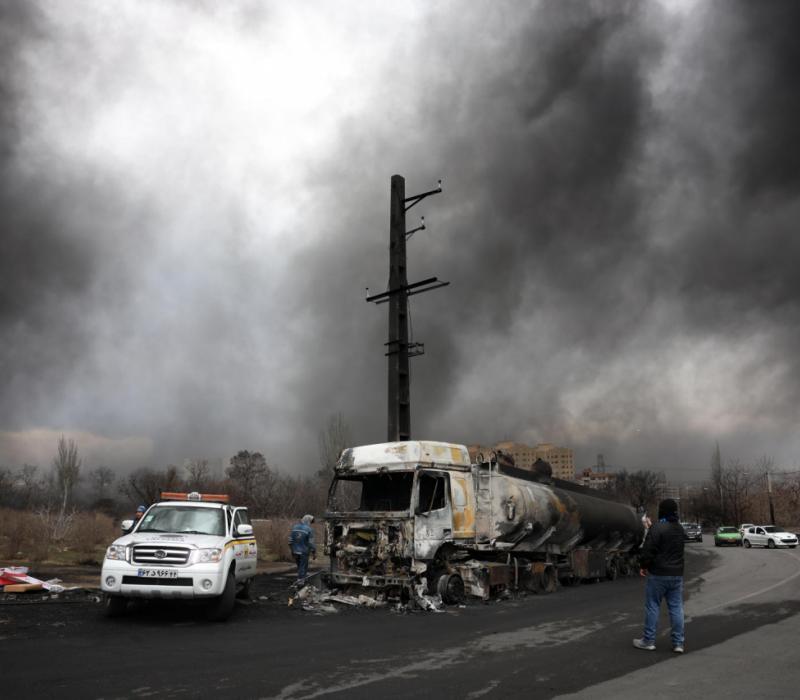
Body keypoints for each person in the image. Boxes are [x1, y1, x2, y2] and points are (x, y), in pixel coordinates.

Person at [633, 498, 685, 653]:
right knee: (676, 608)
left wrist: (643, 566)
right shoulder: (680, 529)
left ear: (662, 511)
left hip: (658, 574)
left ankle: (648, 641)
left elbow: (648, 550)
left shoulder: (657, 528)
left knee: (653, 606)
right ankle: (678, 643)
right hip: (676, 574)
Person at [288, 514, 317, 584]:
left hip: (295, 550)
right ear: (308, 521)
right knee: (303, 566)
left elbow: (290, 541)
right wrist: (314, 552)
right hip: (304, 551)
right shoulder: (309, 530)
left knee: (299, 566)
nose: (311, 524)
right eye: (311, 522)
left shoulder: (294, 527)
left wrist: (292, 550)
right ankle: (301, 582)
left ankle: (302, 579)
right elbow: (311, 543)